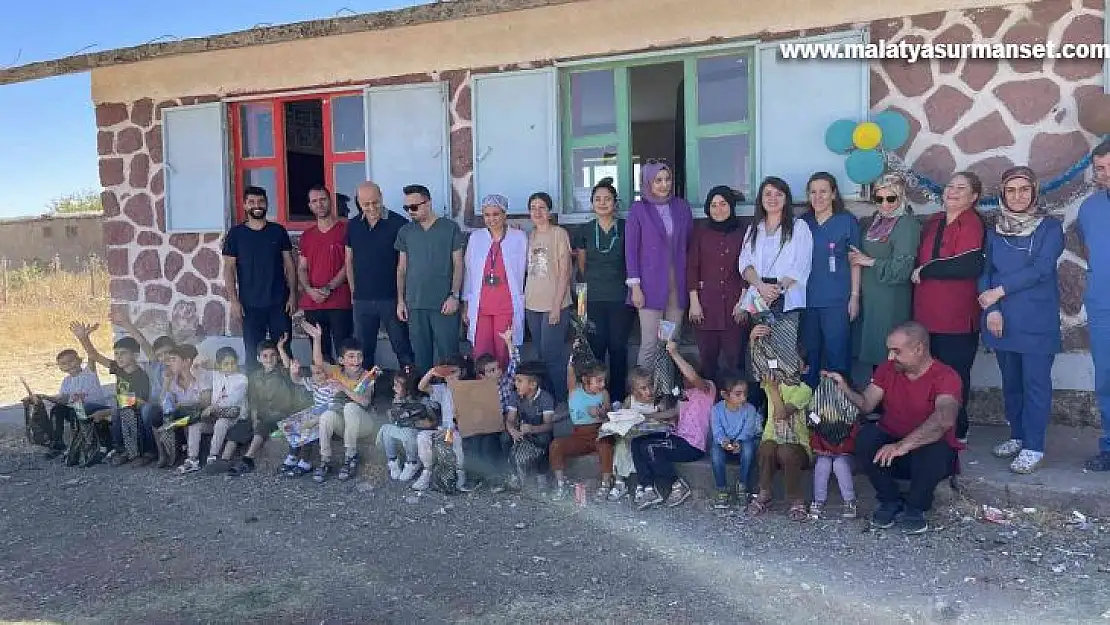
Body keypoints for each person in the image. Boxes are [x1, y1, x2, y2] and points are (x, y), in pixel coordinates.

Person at [826, 321, 963, 535]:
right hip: (893, 450)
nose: (890, 357)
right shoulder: (888, 369)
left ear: (919, 349)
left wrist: (902, 446)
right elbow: (867, 404)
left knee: (936, 449)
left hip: (923, 453)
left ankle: (916, 507)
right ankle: (890, 500)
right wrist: (844, 388)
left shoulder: (946, 376)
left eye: (896, 351)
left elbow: (944, 419)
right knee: (866, 438)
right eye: (889, 350)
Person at [979, 166, 1065, 474]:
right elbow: (985, 273)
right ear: (1003, 193)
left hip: (1036, 320)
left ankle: (1034, 446)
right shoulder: (995, 229)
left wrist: (998, 292)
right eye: (1011, 190)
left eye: (1024, 190)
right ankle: (1018, 435)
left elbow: (1042, 269)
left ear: (1034, 192)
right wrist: (991, 310)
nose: (1018, 196)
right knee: (1011, 383)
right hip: (1002, 320)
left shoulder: (1050, 228)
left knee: (1035, 384)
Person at [912, 171, 986, 443]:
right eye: (950, 186)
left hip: (956, 317)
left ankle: (958, 430)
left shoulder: (972, 224)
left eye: (961, 188)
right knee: (928, 374)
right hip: (925, 315)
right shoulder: (933, 222)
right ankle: (931, 427)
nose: (953, 191)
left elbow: (967, 264)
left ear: (974, 196)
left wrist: (926, 270)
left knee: (954, 376)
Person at [849, 174, 922, 371]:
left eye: (891, 198)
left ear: (901, 197)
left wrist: (869, 261)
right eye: (879, 199)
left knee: (889, 353)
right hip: (870, 296)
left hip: (890, 298)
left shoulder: (906, 224)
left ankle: (890, 401)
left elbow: (902, 269)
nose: (885, 204)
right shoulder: (875, 221)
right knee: (874, 354)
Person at [631, 341, 714, 510]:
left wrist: (675, 354)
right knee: (637, 442)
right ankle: (647, 487)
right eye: (681, 375)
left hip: (692, 445)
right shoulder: (684, 393)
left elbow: (693, 377)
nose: (684, 378)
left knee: (650, 447)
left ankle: (677, 484)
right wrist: (643, 416)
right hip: (677, 438)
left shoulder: (707, 388)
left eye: (685, 373)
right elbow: (673, 413)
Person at [625, 162, 694, 366]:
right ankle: (642, 394)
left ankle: (667, 392)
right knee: (650, 343)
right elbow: (631, 250)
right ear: (648, 183)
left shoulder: (681, 207)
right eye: (658, 180)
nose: (664, 185)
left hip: (677, 284)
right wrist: (635, 287)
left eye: (667, 179)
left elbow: (688, 243)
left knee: (670, 342)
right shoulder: (639, 209)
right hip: (649, 286)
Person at [222, 185, 297, 370]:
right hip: (250, 305)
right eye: (252, 202)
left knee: (284, 349)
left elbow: (290, 264)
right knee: (253, 352)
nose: (257, 205)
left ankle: (287, 393)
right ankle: (255, 396)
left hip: (279, 303)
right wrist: (234, 301)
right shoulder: (236, 234)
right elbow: (229, 269)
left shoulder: (278, 231)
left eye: (261, 201)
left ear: (267, 204)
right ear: (245, 205)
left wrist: (294, 295)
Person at [572, 177, 634, 401]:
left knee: (618, 347)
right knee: (596, 347)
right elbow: (581, 268)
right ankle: (596, 396)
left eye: (607, 199)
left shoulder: (627, 228)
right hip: (592, 298)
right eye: (598, 199)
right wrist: (581, 306)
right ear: (591, 203)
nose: (602, 203)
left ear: (615, 203)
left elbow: (633, 262)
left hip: (620, 297)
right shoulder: (585, 230)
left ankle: (617, 398)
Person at [746, 324, 814, 522]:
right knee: (766, 447)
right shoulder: (773, 382)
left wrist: (773, 390)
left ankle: (796, 499)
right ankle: (765, 493)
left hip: (798, 449)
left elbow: (782, 413)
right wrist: (752, 341)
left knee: (785, 450)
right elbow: (758, 364)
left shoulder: (804, 389)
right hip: (773, 442)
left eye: (796, 362)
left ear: (805, 368)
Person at [395, 184, 465, 376]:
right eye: (407, 208)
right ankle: (424, 397)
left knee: (449, 355)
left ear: (428, 203)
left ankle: (452, 398)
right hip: (415, 303)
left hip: (443, 303)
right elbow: (401, 268)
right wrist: (401, 301)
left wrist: (454, 295)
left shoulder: (450, 228)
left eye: (414, 207)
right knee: (421, 356)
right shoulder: (406, 231)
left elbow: (458, 264)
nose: (411, 212)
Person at [345, 181, 415, 371]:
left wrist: (402, 298)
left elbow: (406, 265)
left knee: (402, 347)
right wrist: (353, 292)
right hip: (362, 300)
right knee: (363, 352)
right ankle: (365, 392)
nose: (371, 208)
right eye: (366, 204)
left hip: (391, 299)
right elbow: (349, 261)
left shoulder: (399, 224)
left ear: (382, 197)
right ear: (359, 203)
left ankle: (410, 389)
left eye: (375, 202)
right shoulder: (352, 226)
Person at [800, 173, 861, 388]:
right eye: (813, 192)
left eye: (823, 191)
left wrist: (854, 297)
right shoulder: (802, 223)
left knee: (838, 356)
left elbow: (855, 261)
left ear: (834, 194)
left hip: (837, 300)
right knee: (810, 357)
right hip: (807, 300)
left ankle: (838, 413)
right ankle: (809, 410)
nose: (818, 197)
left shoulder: (847, 222)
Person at [68, 322, 153, 467]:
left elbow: (137, 402)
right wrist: (83, 338)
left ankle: (132, 451)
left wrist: (108, 411)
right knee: (81, 407)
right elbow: (94, 355)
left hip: (133, 412)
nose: (119, 357)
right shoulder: (118, 368)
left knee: (121, 413)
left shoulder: (140, 376)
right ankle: (92, 445)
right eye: (116, 354)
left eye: (123, 353)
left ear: (135, 355)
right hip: (117, 407)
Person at [687, 186, 749, 383]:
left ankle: (736, 407)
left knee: (735, 359)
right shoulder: (700, 233)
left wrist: (743, 303)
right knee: (707, 361)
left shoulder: (743, 233)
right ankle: (709, 408)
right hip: (706, 306)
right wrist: (694, 303)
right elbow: (691, 268)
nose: (718, 209)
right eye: (713, 205)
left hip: (735, 307)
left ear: (731, 206)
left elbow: (748, 269)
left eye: (723, 204)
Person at [304, 322, 378, 483]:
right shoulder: (336, 371)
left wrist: (344, 388)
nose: (356, 360)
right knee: (327, 415)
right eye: (351, 356)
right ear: (341, 360)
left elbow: (365, 402)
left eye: (359, 356)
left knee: (351, 407)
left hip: (363, 424)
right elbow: (318, 362)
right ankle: (325, 460)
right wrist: (317, 338)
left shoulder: (367, 376)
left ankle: (351, 456)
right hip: (343, 425)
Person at [462, 194, 528, 371]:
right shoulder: (476, 238)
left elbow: (527, 269)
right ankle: (483, 394)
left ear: (505, 214)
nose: (491, 219)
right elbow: (469, 272)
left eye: (496, 214)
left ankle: (504, 393)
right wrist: (466, 305)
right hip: (481, 305)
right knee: (482, 353)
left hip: (506, 305)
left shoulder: (519, 237)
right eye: (487, 215)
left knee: (504, 351)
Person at [738, 176, 814, 316]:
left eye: (779, 194)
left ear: (786, 199)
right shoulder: (754, 228)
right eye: (768, 194)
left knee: (783, 337)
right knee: (759, 336)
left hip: (787, 294)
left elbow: (802, 263)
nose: (773, 198)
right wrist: (761, 287)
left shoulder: (799, 227)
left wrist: (776, 290)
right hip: (758, 295)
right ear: (761, 199)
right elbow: (744, 263)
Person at [524, 191, 573, 402]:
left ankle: (562, 401)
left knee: (553, 357)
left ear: (550, 211)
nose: (537, 212)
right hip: (532, 303)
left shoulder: (558, 234)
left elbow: (565, 272)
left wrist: (556, 306)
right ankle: (546, 402)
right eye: (533, 207)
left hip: (555, 305)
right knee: (540, 356)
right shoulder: (531, 235)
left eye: (542, 207)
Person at [1080, 140, 1110, 472]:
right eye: (1100, 169)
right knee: (1107, 379)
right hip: (1104, 306)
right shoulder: (1090, 208)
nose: (1105, 175)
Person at [298, 184, 353, 362]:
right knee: (320, 355)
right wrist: (309, 289)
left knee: (344, 353)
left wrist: (329, 288)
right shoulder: (307, 236)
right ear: (310, 206)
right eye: (314, 201)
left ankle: (345, 389)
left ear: (330, 201)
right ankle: (323, 390)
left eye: (322, 199)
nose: (319, 204)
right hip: (313, 303)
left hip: (339, 301)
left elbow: (349, 264)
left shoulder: (346, 230)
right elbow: (302, 267)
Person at [549, 354, 614, 502]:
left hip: (599, 433)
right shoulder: (574, 391)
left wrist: (601, 413)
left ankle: (605, 484)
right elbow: (570, 372)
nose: (602, 384)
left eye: (604, 380)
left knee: (605, 446)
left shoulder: (604, 394)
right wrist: (573, 354)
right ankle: (560, 484)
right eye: (598, 381)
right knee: (556, 445)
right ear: (585, 380)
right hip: (579, 436)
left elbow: (609, 417)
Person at [468, 327, 519, 492]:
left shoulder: (505, 382)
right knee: (476, 441)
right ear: (482, 376)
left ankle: (497, 478)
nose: (497, 371)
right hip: (486, 423)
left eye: (497, 368)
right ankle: (476, 477)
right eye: (491, 371)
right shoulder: (477, 390)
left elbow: (515, 363)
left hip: (504, 421)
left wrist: (508, 342)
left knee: (492, 443)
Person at [273, 336, 331, 477]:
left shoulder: (333, 385)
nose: (317, 376)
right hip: (314, 411)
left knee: (307, 430)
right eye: (314, 373)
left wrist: (315, 419)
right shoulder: (313, 383)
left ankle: (306, 461)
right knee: (291, 424)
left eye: (320, 372)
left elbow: (333, 406)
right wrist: (294, 372)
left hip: (326, 416)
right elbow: (298, 380)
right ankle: (293, 455)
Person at [415, 355, 469, 491]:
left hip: (458, 430)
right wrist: (432, 372)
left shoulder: (468, 389)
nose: (450, 376)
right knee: (423, 437)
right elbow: (422, 387)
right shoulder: (443, 389)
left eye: (454, 372)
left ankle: (460, 473)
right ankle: (427, 471)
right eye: (447, 372)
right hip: (443, 429)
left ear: (462, 372)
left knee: (455, 439)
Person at [709, 374, 761, 509]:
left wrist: (739, 441)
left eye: (745, 393)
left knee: (749, 448)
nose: (743, 398)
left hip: (743, 441)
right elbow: (717, 431)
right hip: (724, 443)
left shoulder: (750, 409)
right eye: (738, 394)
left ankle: (742, 485)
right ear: (725, 395)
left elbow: (748, 430)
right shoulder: (716, 409)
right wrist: (724, 442)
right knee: (715, 452)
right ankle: (722, 489)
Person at [159, 344, 213, 473]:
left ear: (186, 361)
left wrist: (182, 405)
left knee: (194, 422)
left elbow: (205, 403)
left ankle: (192, 460)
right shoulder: (172, 380)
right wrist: (166, 383)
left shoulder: (202, 376)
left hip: (204, 419)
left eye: (173, 359)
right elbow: (164, 405)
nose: (169, 364)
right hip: (182, 419)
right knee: (161, 419)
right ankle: (168, 456)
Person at [506, 361, 557, 492]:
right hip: (521, 432)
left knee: (544, 439)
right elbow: (510, 419)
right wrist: (513, 431)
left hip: (537, 431)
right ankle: (514, 474)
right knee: (504, 438)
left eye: (519, 381)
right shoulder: (514, 396)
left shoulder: (546, 398)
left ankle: (542, 474)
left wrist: (532, 429)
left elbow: (549, 425)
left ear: (533, 384)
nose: (515, 384)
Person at [198, 347, 250, 470]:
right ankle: (192, 456)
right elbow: (201, 374)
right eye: (226, 364)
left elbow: (233, 400)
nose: (230, 367)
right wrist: (200, 364)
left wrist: (213, 407)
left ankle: (213, 455)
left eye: (233, 363)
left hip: (234, 414)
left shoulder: (242, 379)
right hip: (215, 413)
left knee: (221, 424)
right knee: (196, 424)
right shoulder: (217, 375)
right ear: (219, 365)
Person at [377, 370, 423, 482]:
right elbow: (393, 420)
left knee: (408, 434)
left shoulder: (419, 402)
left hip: (415, 434)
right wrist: (396, 404)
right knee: (386, 430)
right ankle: (393, 460)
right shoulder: (396, 399)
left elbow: (422, 421)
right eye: (394, 385)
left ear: (408, 388)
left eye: (397, 386)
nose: (394, 388)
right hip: (401, 430)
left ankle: (413, 462)